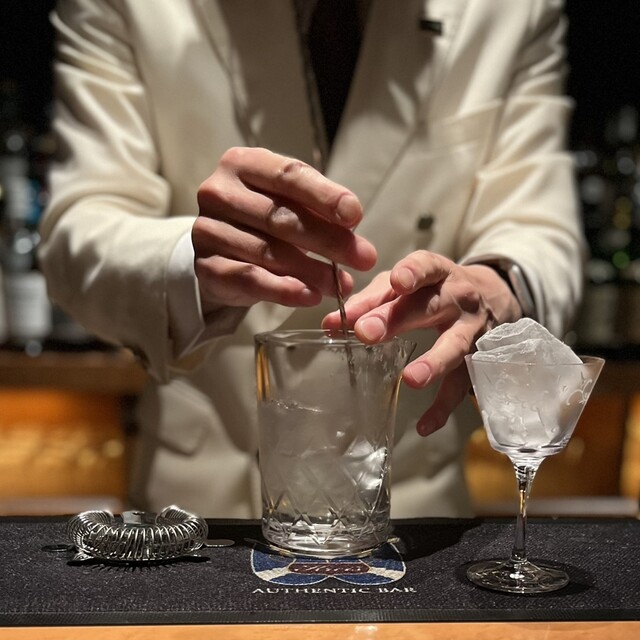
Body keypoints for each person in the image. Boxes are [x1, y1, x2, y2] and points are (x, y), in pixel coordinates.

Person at [39, 0, 584, 518]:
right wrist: (190, 262)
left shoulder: (512, 10)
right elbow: (74, 235)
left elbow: (542, 232)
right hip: (201, 515)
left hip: (412, 513)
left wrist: (495, 284)